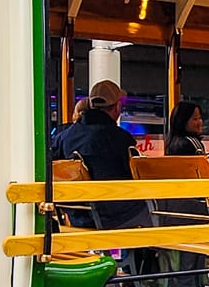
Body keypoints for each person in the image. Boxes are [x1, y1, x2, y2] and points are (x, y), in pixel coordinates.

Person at [46, 80, 150, 229]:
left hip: (78, 218)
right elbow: (135, 178)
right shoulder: (120, 139)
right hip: (117, 217)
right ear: (117, 107)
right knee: (161, 209)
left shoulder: (65, 136)